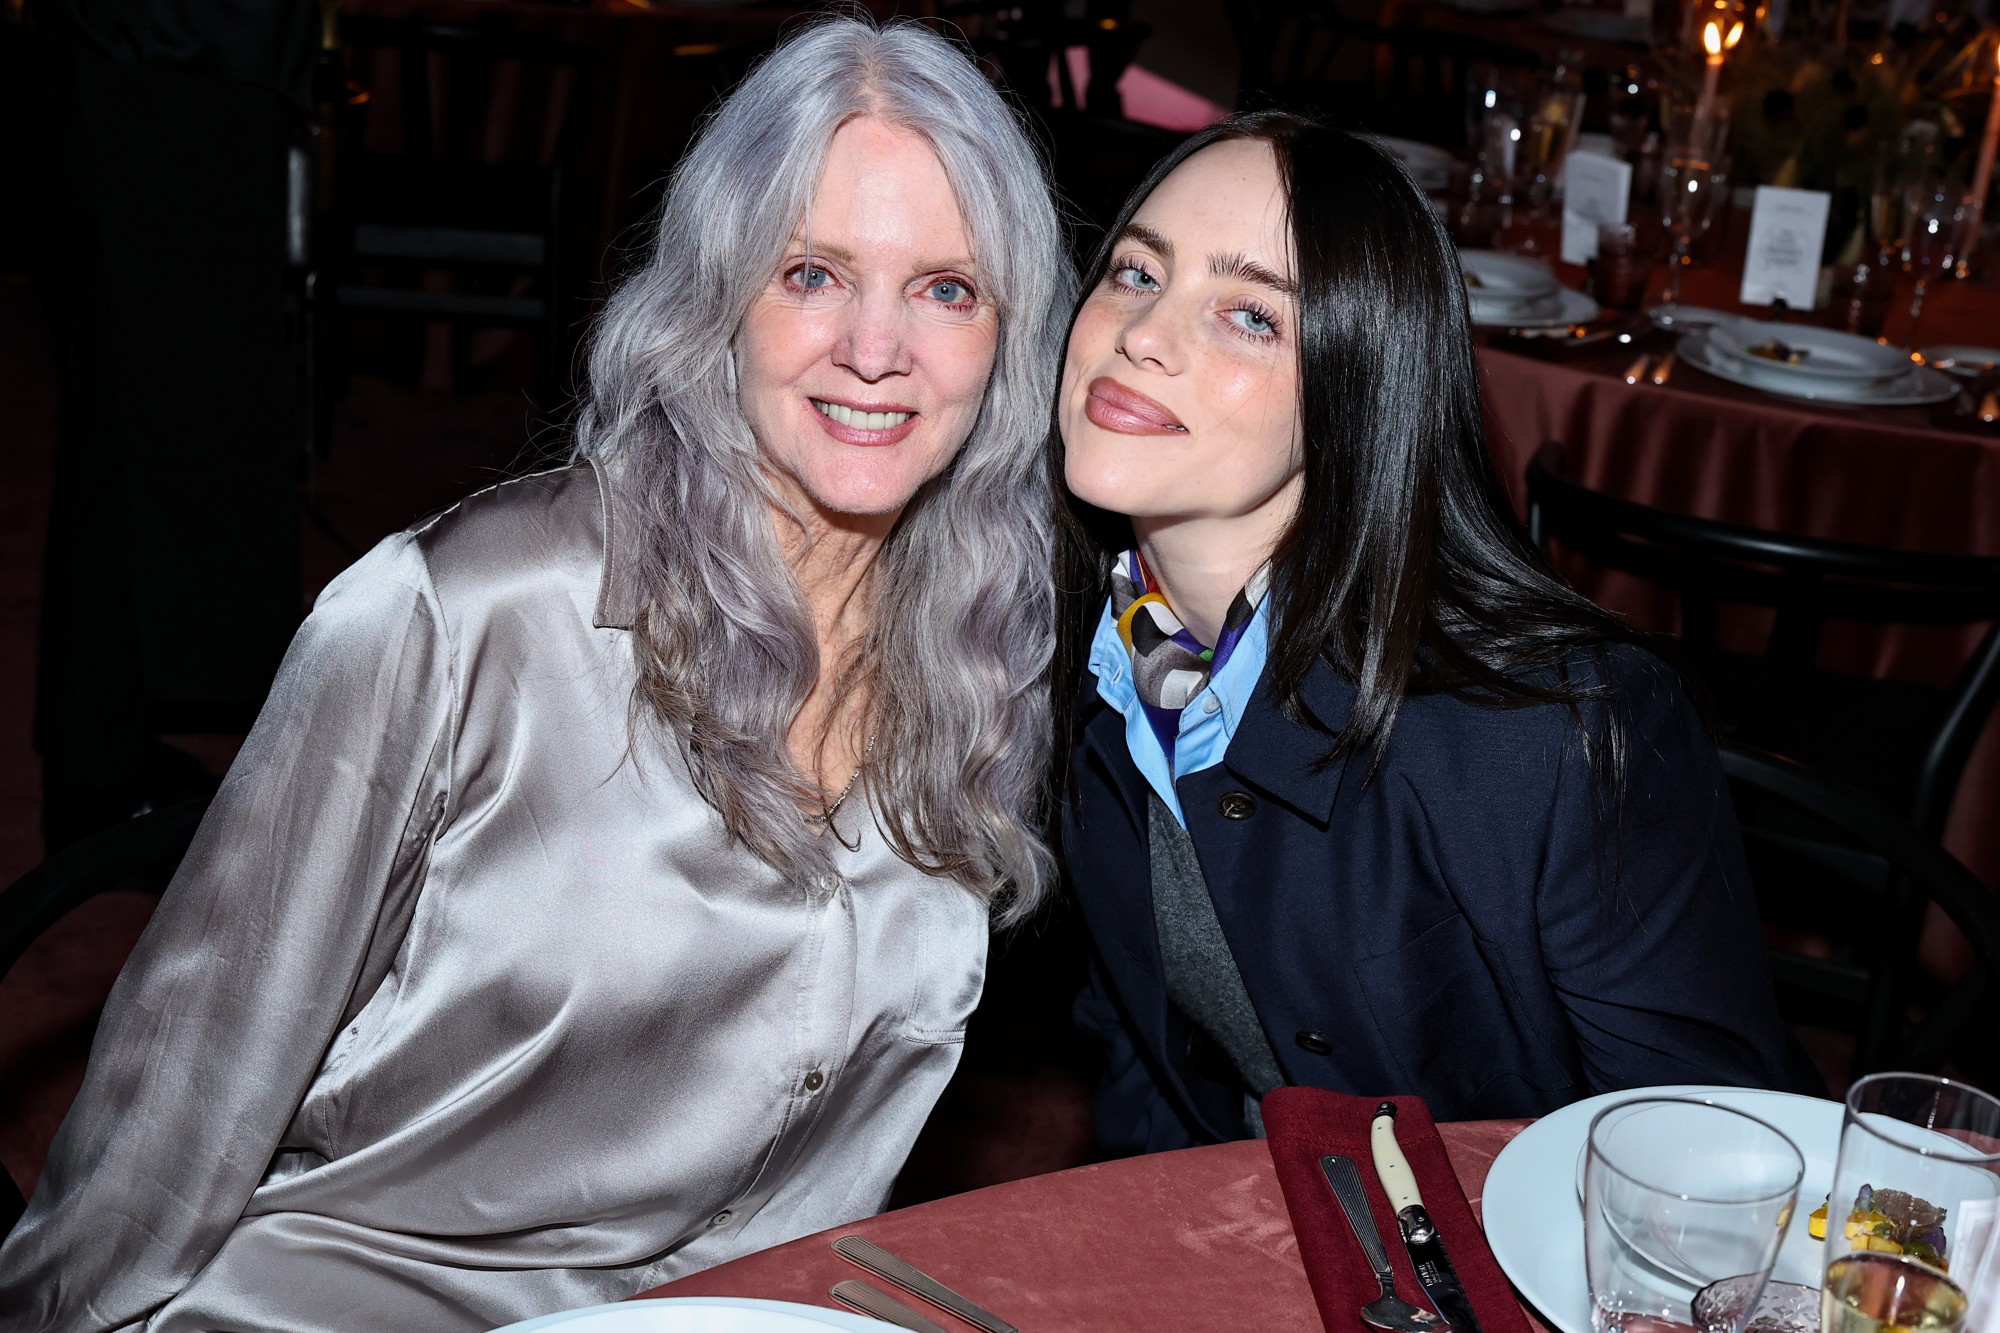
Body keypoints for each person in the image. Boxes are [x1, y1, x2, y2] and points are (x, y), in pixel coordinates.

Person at [0, 17, 1072, 1330]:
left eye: (946, 289)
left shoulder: (978, 664)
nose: (875, 344)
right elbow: (181, 1093)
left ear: (1009, 339)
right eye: (811, 273)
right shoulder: (465, 617)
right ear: (716, 295)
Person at [1052, 111, 1821, 1156]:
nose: (1142, 333)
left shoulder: (1555, 735)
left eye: (1251, 316)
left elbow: (1700, 1162)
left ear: (1358, 387)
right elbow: (1142, 1057)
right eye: (1138, 273)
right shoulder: (1095, 653)